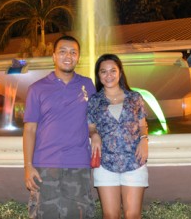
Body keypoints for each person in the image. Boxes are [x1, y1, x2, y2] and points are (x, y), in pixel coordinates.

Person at [23, 35, 96, 218]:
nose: (68, 56)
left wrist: (95, 135)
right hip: (44, 165)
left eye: (73, 52)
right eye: (62, 51)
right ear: (54, 56)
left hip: (78, 164)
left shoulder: (87, 85)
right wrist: (28, 166)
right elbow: (30, 130)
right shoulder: (37, 89)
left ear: (78, 57)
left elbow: (93, 121)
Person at [88, 54, 149, 219]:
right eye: (103, 72)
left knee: (133, 214)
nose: (109, 75)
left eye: (113, 71)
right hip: (105, 163)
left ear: (120, 73)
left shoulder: (134, 98)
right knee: (110, 215)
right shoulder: (94, 101)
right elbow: (91, 126)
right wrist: (94, 135)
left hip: (134, 161)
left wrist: (144, 140)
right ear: (98, 75)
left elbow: (143, 125)